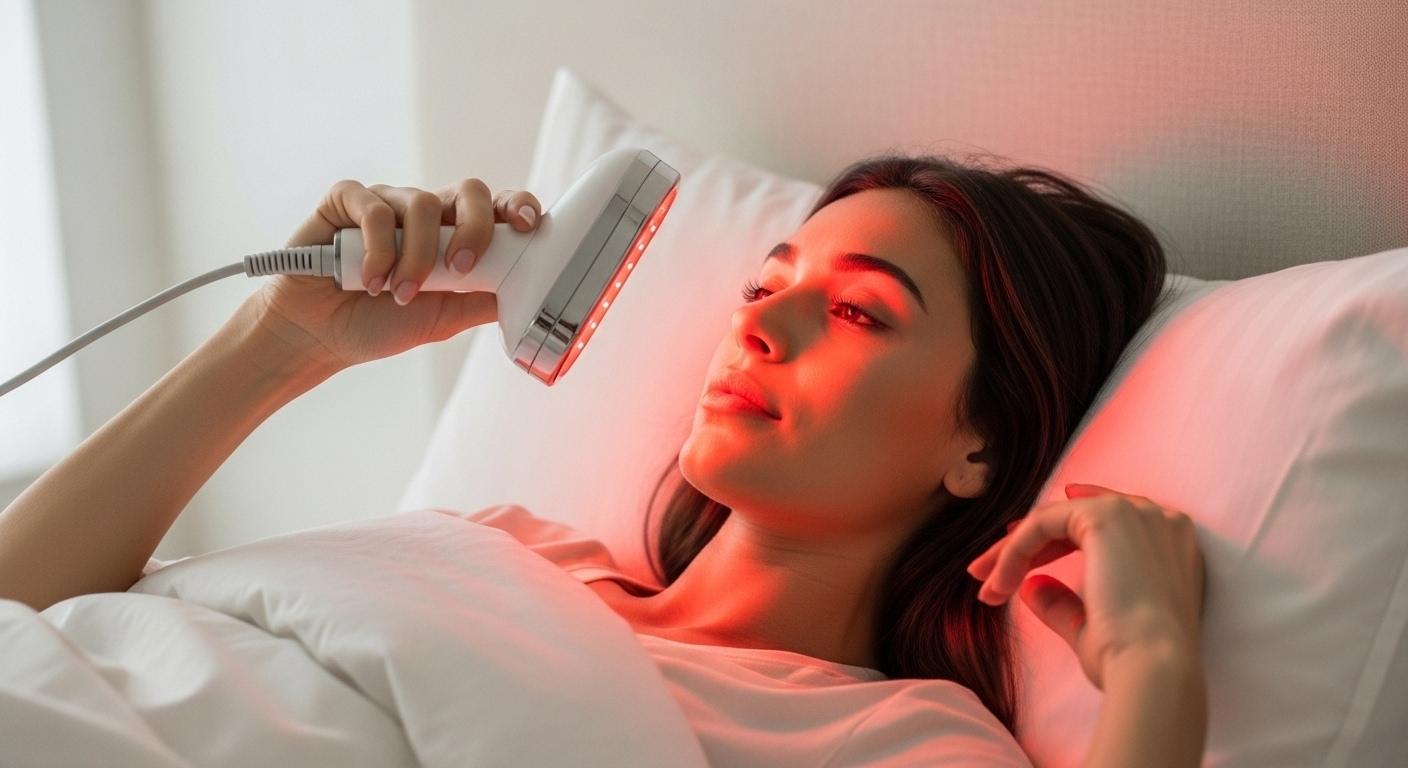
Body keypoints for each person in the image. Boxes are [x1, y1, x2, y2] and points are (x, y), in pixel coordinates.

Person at [0, 156, 1206, 766]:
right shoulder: (503, 548)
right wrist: (273, 348)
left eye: (858, 315)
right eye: (765, 283)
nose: (759, 326)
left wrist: (1154, 670)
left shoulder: (889, 738)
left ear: (977, 443)